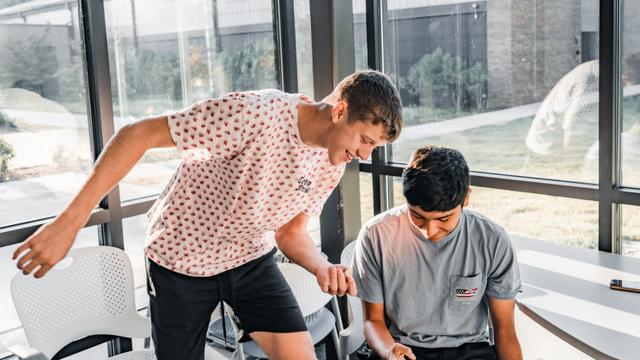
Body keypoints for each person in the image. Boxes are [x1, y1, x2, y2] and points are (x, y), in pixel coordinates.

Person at [12, 70, 403, 360]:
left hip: (249, 258)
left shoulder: (332, 161)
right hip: (180, 260)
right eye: (365, 141)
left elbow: (290, 231)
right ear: (339, 112)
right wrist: (69, 223)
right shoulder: (255, 114)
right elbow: (138, 134)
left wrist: (320, 266)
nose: (364, 155)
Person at [351, 146, 522, 360]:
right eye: (417, 216)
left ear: (466, 198)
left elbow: (505, 329)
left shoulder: (493, 240)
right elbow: (372, 321)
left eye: (443, 219)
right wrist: (388, 350)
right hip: (402, 347)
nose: (429, 231)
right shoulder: (375, 235)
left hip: (469, 349)